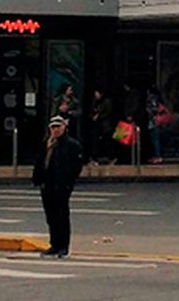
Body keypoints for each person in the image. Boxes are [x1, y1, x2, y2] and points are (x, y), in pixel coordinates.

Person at [32, 114, 83, 258]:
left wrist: (68, 183)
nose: (55, 130)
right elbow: (40, 162)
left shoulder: (71, 145)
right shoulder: (46, 143)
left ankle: (63, 246)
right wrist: (38, 179)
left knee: (61, 216)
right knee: (51, 216)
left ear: (64, 127)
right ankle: (54, 244)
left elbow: (75, 166)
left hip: (61, 185)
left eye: (58, 127)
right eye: (53, 127)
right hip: (47, 184)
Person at [89, 89, 115, 163]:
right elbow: (91, 111)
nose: (95, 95)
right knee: (95, 141)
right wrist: (92, 116)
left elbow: (108, 112)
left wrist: (99, 116)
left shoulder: (107, 101)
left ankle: (110, 157)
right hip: (96, 126)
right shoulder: (94, 101)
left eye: (97, 93)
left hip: (105, 125)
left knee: (107, 141)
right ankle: (95, 158)